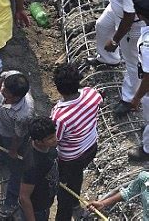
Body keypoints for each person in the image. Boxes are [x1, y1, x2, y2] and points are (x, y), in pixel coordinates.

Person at [91, 0, 149, 116]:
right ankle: (108, 59)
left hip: (130, 23)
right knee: (101, 26)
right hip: (117, 6)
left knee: (132, 62)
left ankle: (128, 98)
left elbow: (129, 17)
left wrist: (115, 40)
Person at [51, 62, 103, 220]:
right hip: (91, 147)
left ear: (59, 89)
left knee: (64, 192)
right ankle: (75, 204)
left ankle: (64, 216)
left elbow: (55, 141)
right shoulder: (92, 94)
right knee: (77, 176)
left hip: (69, 159)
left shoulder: (59, 116)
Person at [0, 71, 34, 218]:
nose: (3, 95)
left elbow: (18, 135)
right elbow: (3, 77)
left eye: (7, 95)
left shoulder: (24, 114)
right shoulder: (13, 76)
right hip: (0, 127)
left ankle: (11, 203)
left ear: (17, 97)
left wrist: (13, 150)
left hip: (12, 138)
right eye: (3, 91)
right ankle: (1, 155)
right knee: (0, 144)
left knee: (16, 169)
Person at [19, 117, 59, 221]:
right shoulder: (32, 166)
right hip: (37, 209)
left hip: (45, 202)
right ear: (38, 142)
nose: (55, 139)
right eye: (50, 138)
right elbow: (24, 197)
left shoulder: (48, 147)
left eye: (54, 134)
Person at [126, 0, 149, 161]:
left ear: (139, 15)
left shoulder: (147, 43)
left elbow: (148, 76)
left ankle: (147, 150)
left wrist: (136, 98)